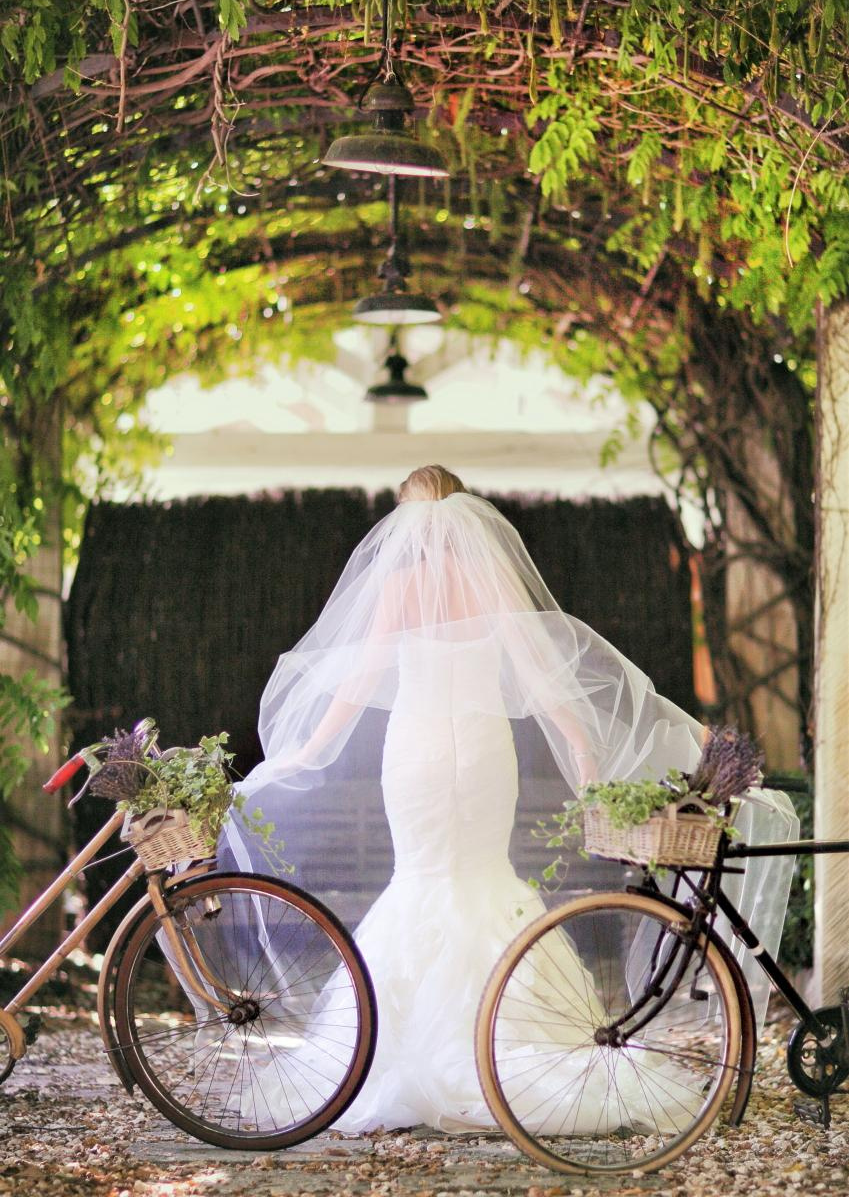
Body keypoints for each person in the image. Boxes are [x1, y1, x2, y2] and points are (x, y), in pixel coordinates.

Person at [222, 465, 795, 1133]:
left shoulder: (397, 587)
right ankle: (517, 1035)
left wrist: (302, 751)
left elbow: (357, 682)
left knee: (421, 878)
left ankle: (394, 1050)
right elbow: (543, 678)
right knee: (485, 874)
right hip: (483, 749)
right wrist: (585, 759)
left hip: (416, 752)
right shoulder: (490, 581)